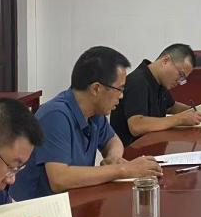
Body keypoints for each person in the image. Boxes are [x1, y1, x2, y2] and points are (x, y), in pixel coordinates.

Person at [10, 46, 161, 200]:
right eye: (119, 89)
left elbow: (113, 141)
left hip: (73, 199)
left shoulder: (95, 113)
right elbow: (60, 179)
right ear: (96, 89)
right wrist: (123, 170)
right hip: (38, 207)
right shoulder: (55, 115)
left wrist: (113, 158)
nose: (121, 96)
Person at [110, 44, 201, 145]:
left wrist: (196, 112)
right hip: (132, 151)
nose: (180, 82)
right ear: (165, 61)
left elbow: (171, 107)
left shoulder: (159, 81)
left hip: (153, 145)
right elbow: (137, 126)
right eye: (181, 75)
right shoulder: (137, 82)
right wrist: (180, 119)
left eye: (183, 79)